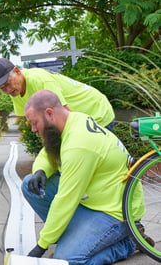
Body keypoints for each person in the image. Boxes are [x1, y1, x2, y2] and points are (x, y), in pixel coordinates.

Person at [21, 90, 149, 264]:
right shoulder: (73, 119)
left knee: (67, 260)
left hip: (115, 212)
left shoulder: (79, 145)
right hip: (95, 200)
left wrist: (42, 245)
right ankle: (72, 238)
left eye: (34, 123)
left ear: (49, 113)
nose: (34, 129)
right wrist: (40, 170)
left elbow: (66, 200)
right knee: (30, 184)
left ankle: (129, 242)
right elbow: (48, 150)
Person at [0, 58, 116, 178]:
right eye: (2, 88)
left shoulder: (40, 80)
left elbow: (66, 118)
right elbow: (33, 124)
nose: (7, 90)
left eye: (7, 84)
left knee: (91, 169)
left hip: (96, 111)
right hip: (79, 118)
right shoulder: (15, 91)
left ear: (17, 71)